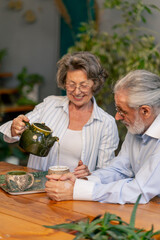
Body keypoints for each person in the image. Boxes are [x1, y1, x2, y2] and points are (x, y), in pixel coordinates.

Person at [45, 69, 160, 204]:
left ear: (145, 111)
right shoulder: (137, 126)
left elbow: (138, 191)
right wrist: (82, 181)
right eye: (117, 110)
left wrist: (76, 191)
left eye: (122, 111)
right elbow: (119, 169)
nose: (117, 117)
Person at [0, 51, 119, 178]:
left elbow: (107, 173)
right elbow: (12, 134)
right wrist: (15, 127)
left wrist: (89, 175)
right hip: (37, 187)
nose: (77, 91)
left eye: (84, 85)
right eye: (71, 84)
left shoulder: (106, 123)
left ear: (95, 84)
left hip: (74, 192)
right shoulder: (50, 104)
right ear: (64, 82)